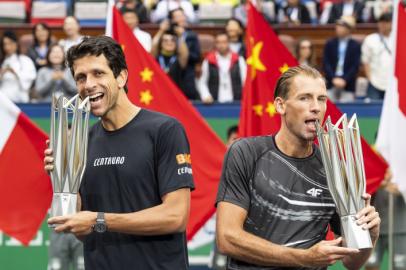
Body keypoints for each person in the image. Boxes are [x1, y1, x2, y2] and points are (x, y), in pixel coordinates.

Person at [45, 36, 195, 269]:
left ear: (121, 77)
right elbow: (82, 231)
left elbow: (175, 217)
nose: (88, 84)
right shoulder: (81, 141)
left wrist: (99, 221)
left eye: (98, 73)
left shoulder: (165, 129)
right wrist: (63, 178)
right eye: (80, 78)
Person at [215, 65, 381, 269]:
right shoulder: (246, 153)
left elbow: (351, 262)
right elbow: (227, 238)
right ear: (280, 105)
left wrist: (369, 237)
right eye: (305, 98)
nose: (316, 107)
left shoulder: (336, 168)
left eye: (321, 99)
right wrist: (303, 258)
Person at [365, 169, 406, 270]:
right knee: (371, 264)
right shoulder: (373, 176)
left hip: (399, 230)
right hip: (374, 230)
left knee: (399, 266)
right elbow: (363, 193)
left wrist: (400, 189)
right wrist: (378, 185)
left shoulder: (401, 173)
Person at [198, 32, 246, 104]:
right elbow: (202, 82)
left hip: (236, 103)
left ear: (229, 43)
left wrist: (245, 97)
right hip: (215, 103)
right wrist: (206, 95)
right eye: (218, 42)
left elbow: (245, 81)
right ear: (215, 44)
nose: (221, 45)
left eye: (224, 42)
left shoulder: (239, 60)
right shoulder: (208, 61)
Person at [323, 15, 361, 102]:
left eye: (341, 26)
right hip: (331, 83)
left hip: (348, 85)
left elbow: (355, 66)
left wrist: (345, 79)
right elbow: (326, 63)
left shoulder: (355, 45)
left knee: (347, 112)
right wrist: (333, 78)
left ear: (349, 29)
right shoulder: (330, 43)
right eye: (338, 25)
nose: (338, 28)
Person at [361, 12, 392, 101]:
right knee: (372, 111)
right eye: (381, 22)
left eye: (386, 22)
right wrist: (370, 79)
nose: (383, 25)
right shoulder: (370, 39)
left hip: (393, 84)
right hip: (375, 83)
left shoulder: (398, 39)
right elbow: (365, 62)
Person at [0, 30, 36, 103]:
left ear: (16, 43)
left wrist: (15, 72)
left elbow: (28, 82)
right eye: (5, 44)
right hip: (3, 101)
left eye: (10, 43)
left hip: (20, 99)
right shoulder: (2, 61)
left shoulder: (25, 60)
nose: (7, 47)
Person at [152, 29, 189, 94]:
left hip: (175, 94)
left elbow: (185, 54)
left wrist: (180, 36)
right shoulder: (156, 57)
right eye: (165, 40)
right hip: (158, 93)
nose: (169, 43)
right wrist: (161, 30)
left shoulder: (179, 59)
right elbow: (154, 45)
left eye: (173, 40)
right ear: (161, 43)